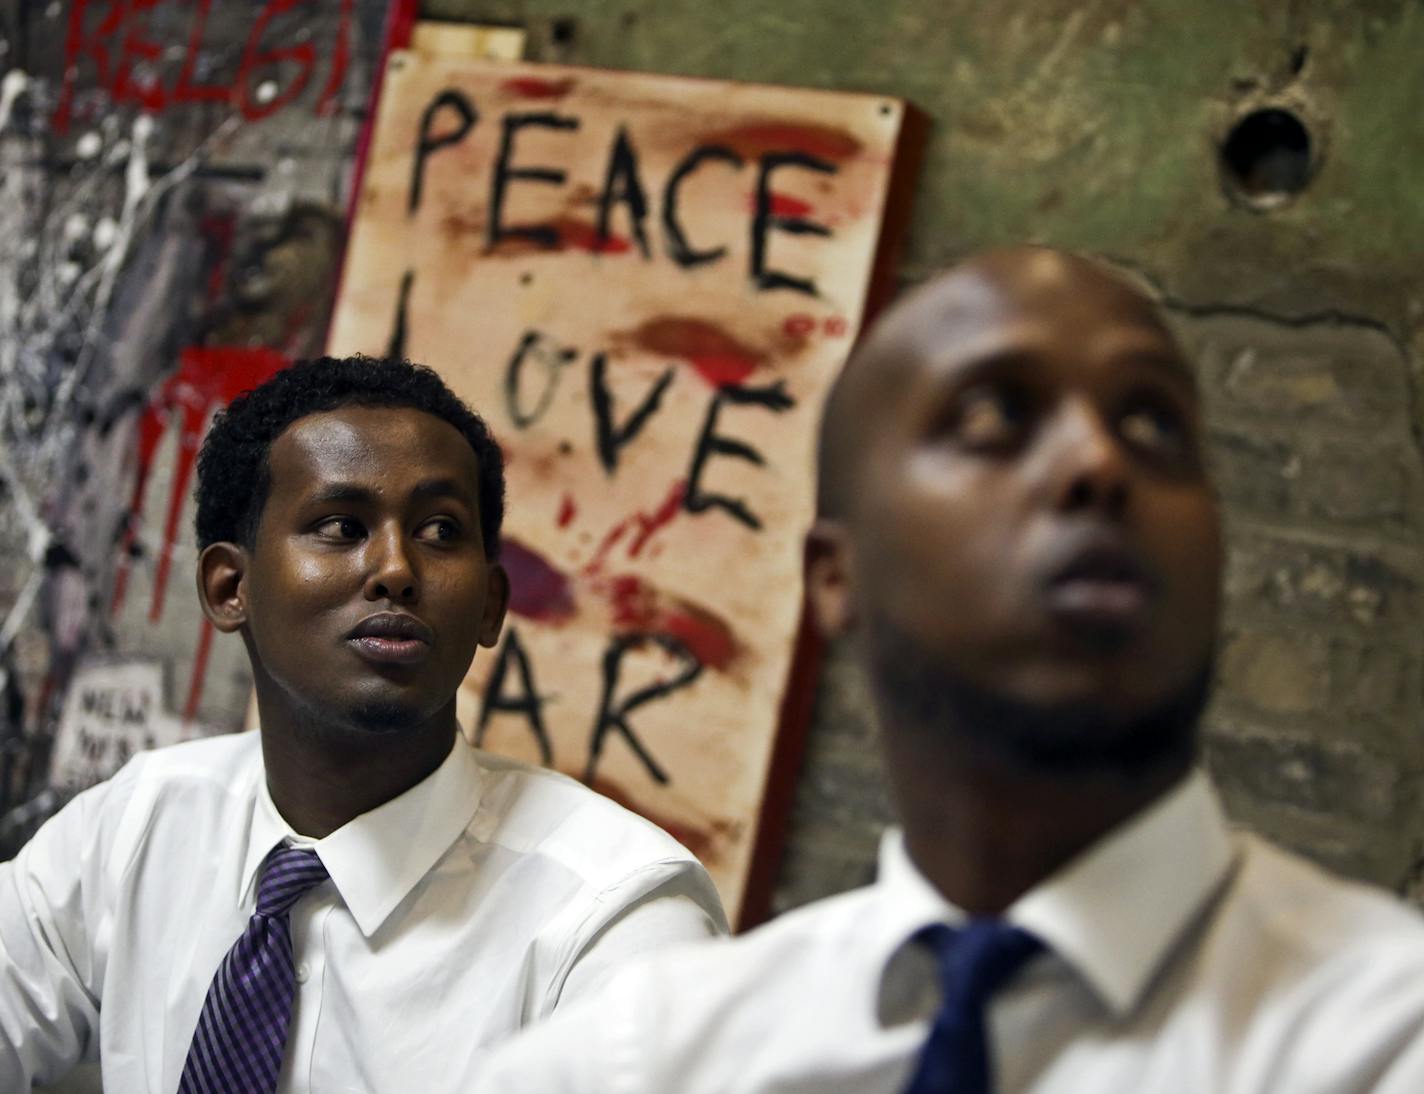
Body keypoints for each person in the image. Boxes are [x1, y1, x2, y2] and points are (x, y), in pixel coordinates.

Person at [473, 248, 1424, 1093]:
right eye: (993, 415)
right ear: (837, 579)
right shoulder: (647, 1061)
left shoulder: (1381, 1037)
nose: (1099, 462)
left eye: (1154, 423)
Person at [0, 356, 726, 1093]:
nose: (396, 568)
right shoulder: (138, 826)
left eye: (441, 530)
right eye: (342, 526)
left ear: (489, 606)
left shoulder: (611, 918)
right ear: (229, 588)